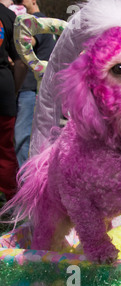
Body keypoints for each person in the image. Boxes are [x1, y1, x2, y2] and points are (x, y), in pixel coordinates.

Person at [14, 0, 56, 167]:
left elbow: (28, 42)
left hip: (31, 87)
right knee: (43, 137)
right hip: (44, 88)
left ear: (33, 1)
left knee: (23, 137)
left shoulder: (37, 22)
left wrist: (15, 38)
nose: (20, 3)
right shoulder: (50, 25)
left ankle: (26, 181)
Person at [0, 1, 27, 202]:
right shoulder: (9, 16)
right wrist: (15, 88)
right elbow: (21, 61)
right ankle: (11, 202)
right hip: (4, 89)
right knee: (5, 150)